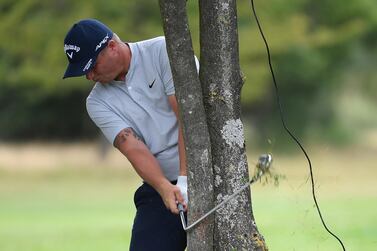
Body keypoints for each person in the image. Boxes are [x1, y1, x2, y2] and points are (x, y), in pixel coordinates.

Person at [62, 19, 191, 251]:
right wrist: (164, 187)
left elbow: (188, 119)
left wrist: (185, 179)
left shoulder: (161, 51)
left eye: (91, 66)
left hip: (205, 174)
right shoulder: (97, 102)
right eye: (84, 71)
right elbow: (134, 149)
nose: (89, 76)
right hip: (159, 186)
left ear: (112, 46)